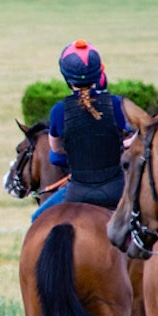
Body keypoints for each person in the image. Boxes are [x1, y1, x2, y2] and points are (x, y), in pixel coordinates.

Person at [38, 40, 130, 212]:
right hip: (116, 190)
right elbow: (132, 140)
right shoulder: (116, 104)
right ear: (98, 74)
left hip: (77, 193)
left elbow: (56, 150)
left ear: (66, 78)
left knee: (38, 218)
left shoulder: (58, 111)